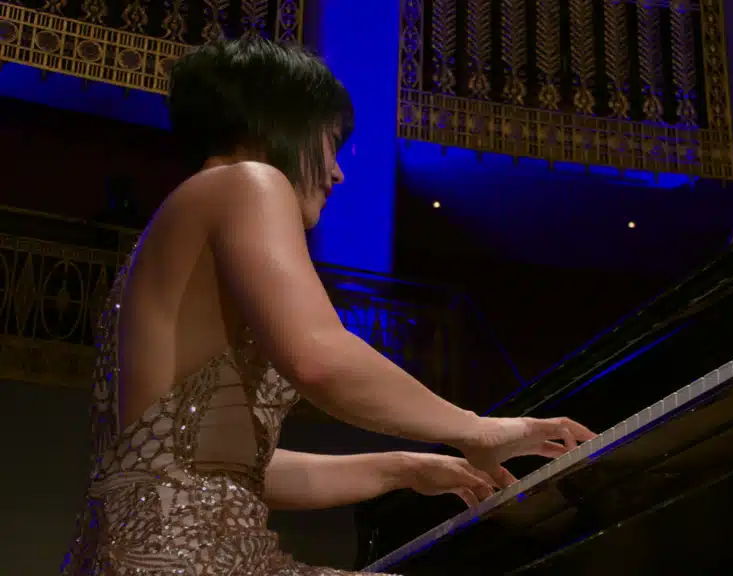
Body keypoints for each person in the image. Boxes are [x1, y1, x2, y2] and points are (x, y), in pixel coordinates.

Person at [62, 38, 595, 575]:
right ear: (280, 122)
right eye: (330, 142)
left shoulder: (175, 227)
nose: (337, 172)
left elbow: (218, 470)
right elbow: (319, 357)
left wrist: (403, 468)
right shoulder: (248, 182)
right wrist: (475, 428)